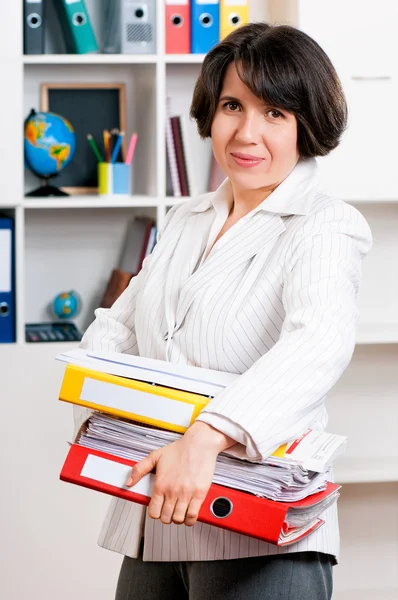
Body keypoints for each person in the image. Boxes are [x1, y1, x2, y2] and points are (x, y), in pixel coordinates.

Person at [75, 22, 372, 600]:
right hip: (159, 515)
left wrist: (207, 436)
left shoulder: (325, 223)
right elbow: (120, 327)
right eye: (232, 105)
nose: (246, 132)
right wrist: (99, 403)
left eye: (275, 114)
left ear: (306, 126)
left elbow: (317, 343)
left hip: (260, 527)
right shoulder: (186, 219)